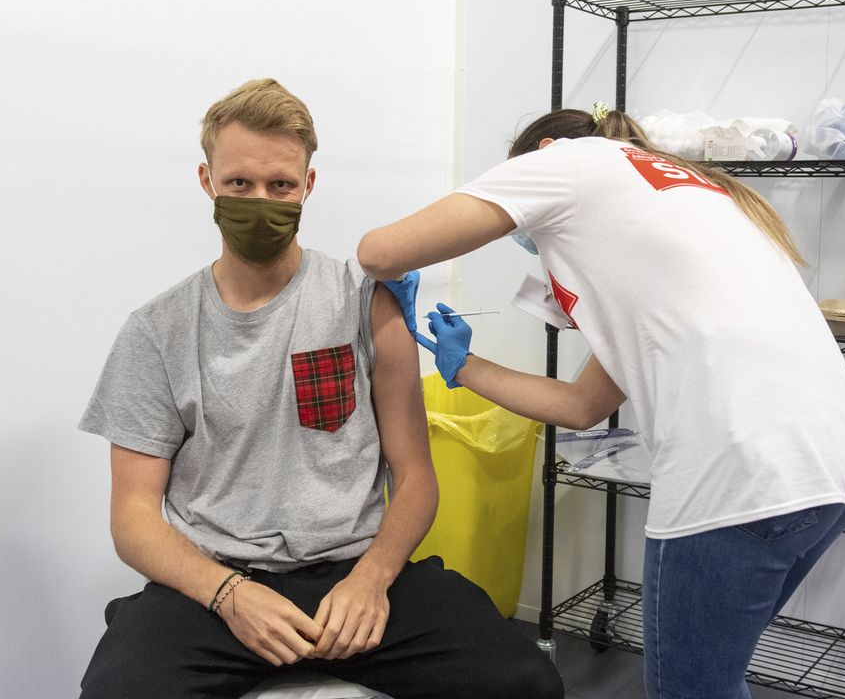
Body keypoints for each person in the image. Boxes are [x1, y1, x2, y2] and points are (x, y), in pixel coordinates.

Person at [358, 103, 845, 699]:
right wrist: (464, 367)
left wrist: (396, 269)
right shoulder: (684, 197)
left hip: (741, 470)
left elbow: (379, 251)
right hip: (833, 465)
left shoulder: (567, 161)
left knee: (689, 689)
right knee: (715, 677)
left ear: (543, 150)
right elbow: (583, 405)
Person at [77, 78, 563, 699]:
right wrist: (228, 594)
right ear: (207, 182)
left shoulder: (365, 300)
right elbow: (134, 517)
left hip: (354, 568)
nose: (260, 200)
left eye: (281, 185)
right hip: (216, 583)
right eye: (238, 184)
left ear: (308, 185)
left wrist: (374, 577)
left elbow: (414, 477)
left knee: (524, 684)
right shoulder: (157, 332)